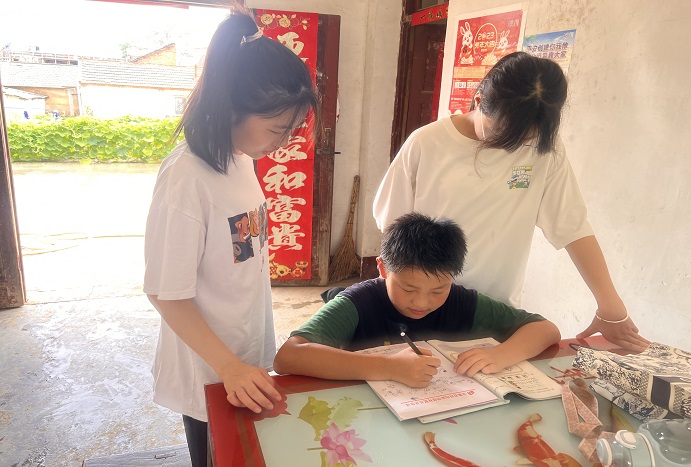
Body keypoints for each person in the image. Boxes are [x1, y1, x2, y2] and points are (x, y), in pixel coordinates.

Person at [372, 52, 649, 353]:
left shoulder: (546, 150)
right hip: (424, 305)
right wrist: (398, 297)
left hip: (493, 313)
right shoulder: (427, 143)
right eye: (503, 134)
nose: (513, 146)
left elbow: (573, 226)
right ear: (479, 100)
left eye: (525, 138)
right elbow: (394, 231)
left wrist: (610, 307)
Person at [143, 12, 318, 467]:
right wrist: (228, 366)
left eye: (291, 130)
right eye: (277, 129)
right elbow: (166, 292)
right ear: (232, 108)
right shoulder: (187, 177)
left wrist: (243, 363)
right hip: (208, 367)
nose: (284, 142)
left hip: (243, 355)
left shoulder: (240, 157)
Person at [274, 213, 560, 387]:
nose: (422, 302)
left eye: (438, 290)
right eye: (408, 288)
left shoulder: (462, 302)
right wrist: (389, 367)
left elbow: (545, 330)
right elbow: (288, 356)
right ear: (383, 269)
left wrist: (500, 355)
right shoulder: (358, 302)